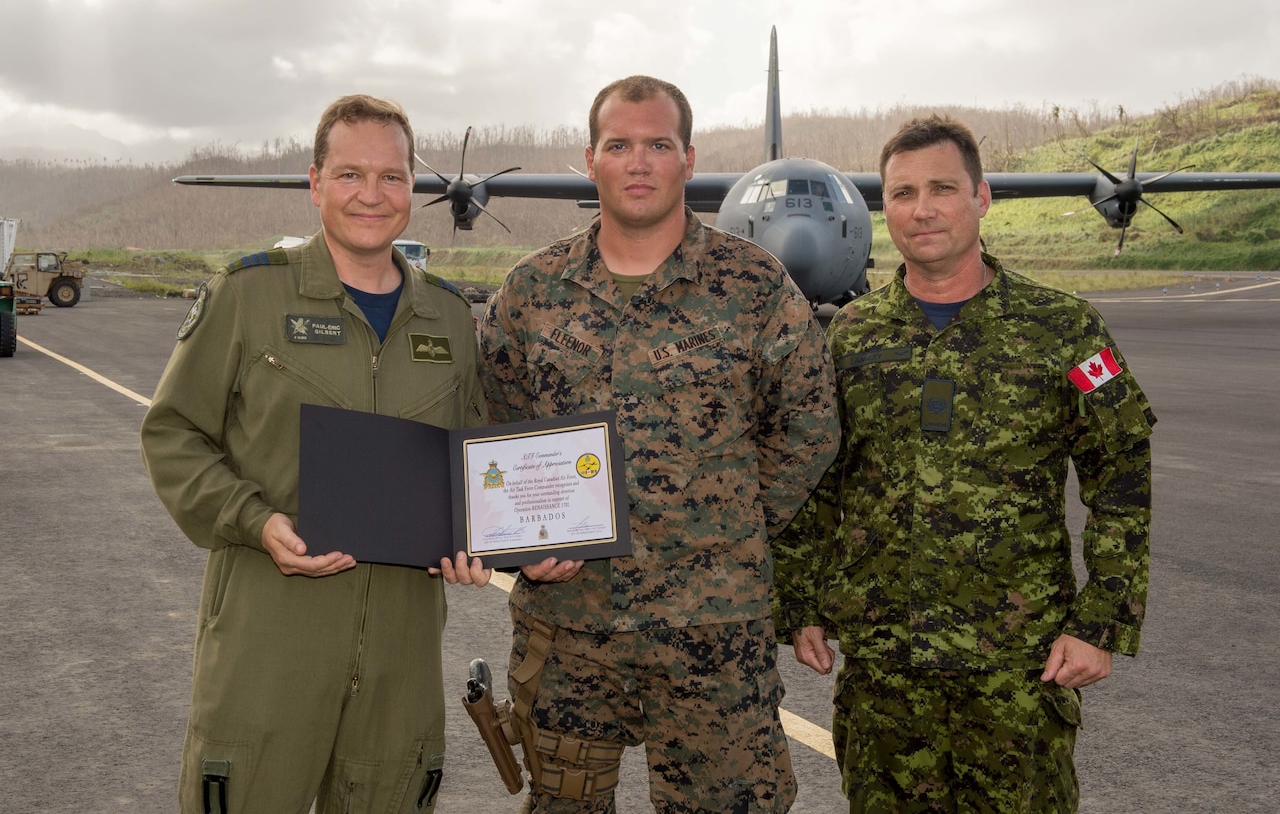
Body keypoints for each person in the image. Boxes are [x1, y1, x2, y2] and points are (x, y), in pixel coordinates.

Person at [773, 114, 1156, 812]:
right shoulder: (849, 337)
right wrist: (800, 601)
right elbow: (818, 478)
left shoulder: (1064, 329)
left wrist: (1101, 622)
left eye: (943, 188)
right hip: (885, 670)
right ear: (882, 208)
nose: (923, 210)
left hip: (1017, 668)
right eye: (903, 193)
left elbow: (1122, 473)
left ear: (981, 199)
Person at [479, 75, 839, 813]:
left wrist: (730, 519)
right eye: (619, 145)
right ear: (590, 159)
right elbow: (496, 432)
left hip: (713, 630)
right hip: (569, 625)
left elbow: (809, 421)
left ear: (688, 159)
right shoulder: (532, 292)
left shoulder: (752, 285)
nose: (638, 162)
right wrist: (522, 544)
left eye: (657, 145)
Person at [141, 93, 490, 814]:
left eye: (392, 177)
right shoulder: (247, 295)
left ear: (413, 189)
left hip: (402, 654)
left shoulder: (451, 319)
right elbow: (173, 434)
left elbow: (477, 464)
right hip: (268, 640)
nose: (372, 195)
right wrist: (254, 519)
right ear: (315, 182)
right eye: (350, 175)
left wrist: (483, 539)